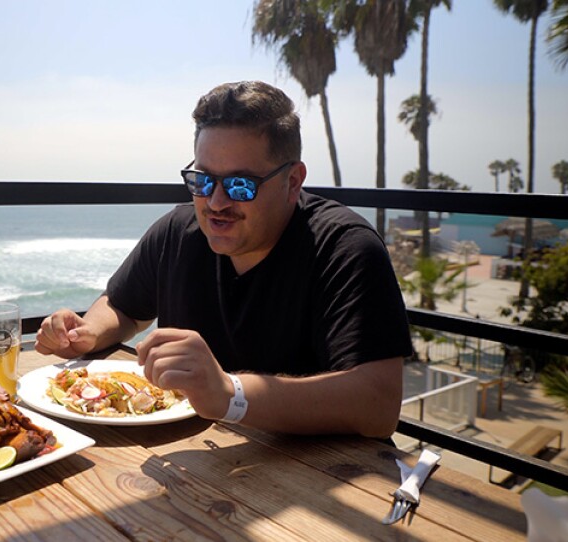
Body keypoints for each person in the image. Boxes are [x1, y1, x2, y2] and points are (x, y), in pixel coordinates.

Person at [35, 81, 412, 439]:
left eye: (240, 185)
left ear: (293, 181)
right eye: (203, 179)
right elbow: (125, 308)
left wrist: (230, 394)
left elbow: (377, 405)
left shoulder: (343, 247)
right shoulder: (178, 230)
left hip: (312, 474)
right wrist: (87, 333)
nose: (216, 203)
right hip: (192, 459)